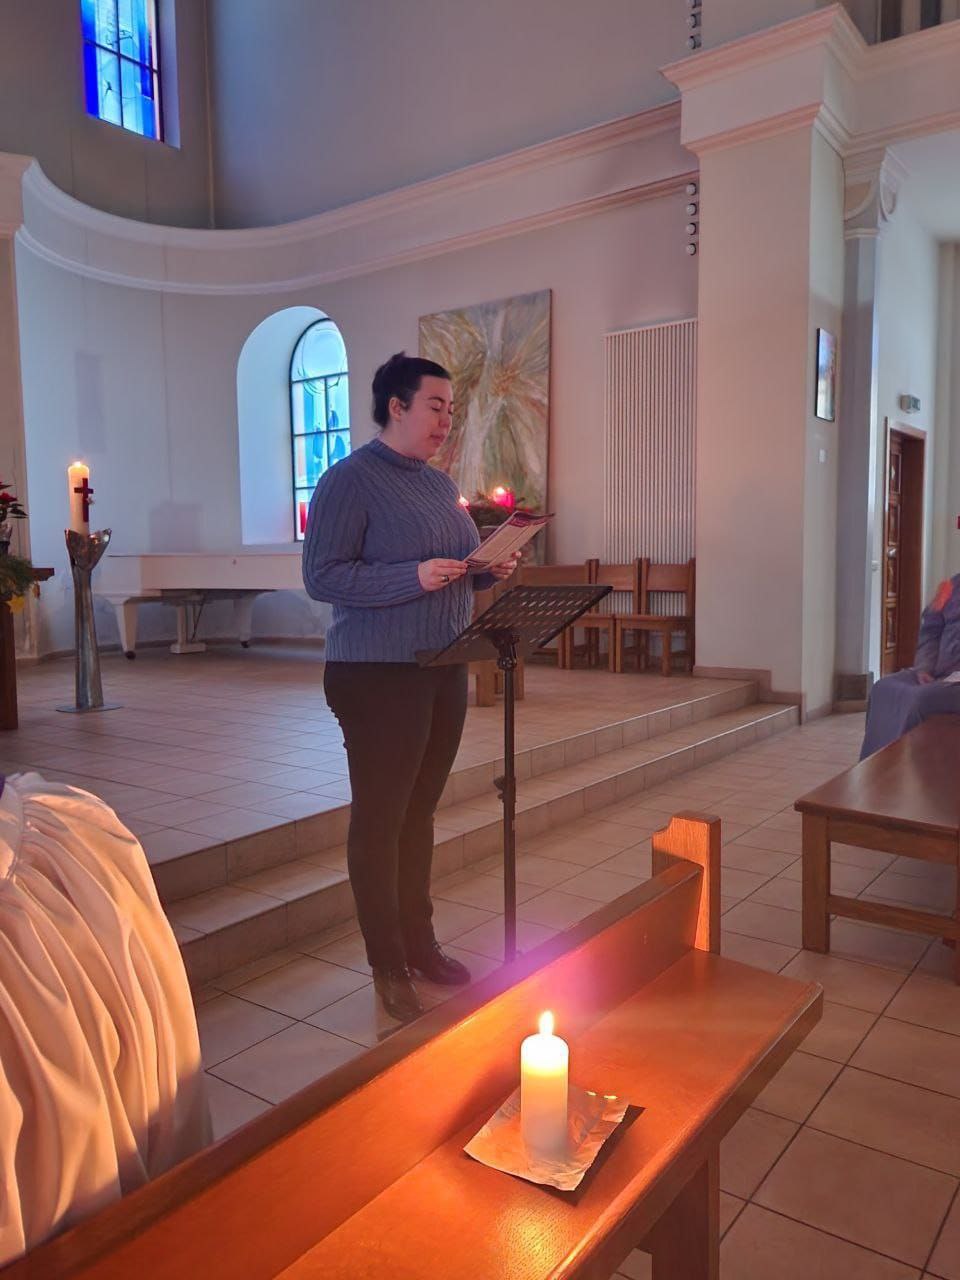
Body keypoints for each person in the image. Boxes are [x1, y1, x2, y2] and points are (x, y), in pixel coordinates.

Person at [302, 353, 519, 1022]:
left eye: (451, 409)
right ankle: (386, 961)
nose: (446, 419)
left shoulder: (434, 484)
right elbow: (324, 578)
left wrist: (486, 568)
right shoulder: (348, 481)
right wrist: (411, 578)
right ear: (396, 406)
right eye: (436, 406)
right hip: (376, 676)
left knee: (419, 813)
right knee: (381, 818)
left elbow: (447, 567)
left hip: (439, 667)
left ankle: (421, 945)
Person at [860, 573, 960, 759]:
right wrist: (925, 667)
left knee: (922, 699)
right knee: (882, 688)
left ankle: (906, 769)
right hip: (939, 672)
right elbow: (930, 630)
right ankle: (874, 768)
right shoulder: (950, 587)